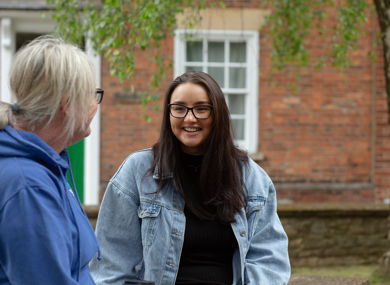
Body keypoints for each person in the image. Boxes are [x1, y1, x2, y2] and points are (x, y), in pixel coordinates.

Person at [90, 71, 290, 285]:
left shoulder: (251, 178)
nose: (190, 118)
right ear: (168, 114)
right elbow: (111, 268)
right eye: (179, 109)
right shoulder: (137, 172)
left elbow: (269, 262)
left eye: (202, 109)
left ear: (218, 114)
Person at [0, 35, 102, 284]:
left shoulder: (44, 166)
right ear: (67, 103)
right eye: (93, 95)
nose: (96, 104)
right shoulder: (28, 186)